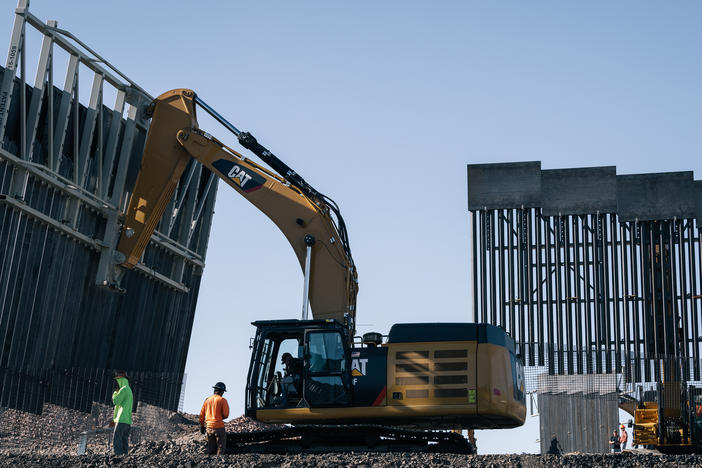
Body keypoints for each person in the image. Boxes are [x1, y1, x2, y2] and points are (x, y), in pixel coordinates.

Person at [199, 382, 230, 455]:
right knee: (221, 447)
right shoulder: (222, 400)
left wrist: (202, 426)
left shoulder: (207, 400)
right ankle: (219, 462)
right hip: (219, 427)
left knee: (211, 448)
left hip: (209, 428)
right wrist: (220, 417)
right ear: (221, 391)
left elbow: (202, 415)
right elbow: (226, 414)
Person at [110, 370, 133, 456]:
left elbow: (115, 401)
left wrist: (115, 392)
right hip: (128, 421)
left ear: (120, 380)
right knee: (124, 439)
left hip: (122, 419)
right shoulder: (129, 390)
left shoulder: (123, 389)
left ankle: (118, 456)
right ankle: (125, 457)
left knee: (117, 438)